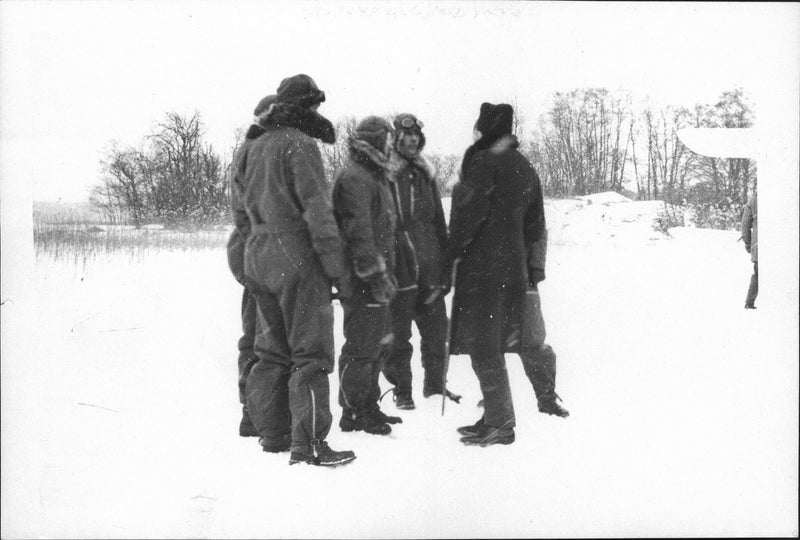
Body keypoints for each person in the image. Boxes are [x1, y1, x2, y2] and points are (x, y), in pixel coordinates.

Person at [230, 74, 355, 466]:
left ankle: (273, 434)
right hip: (296, 257)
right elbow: (318, 214)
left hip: (258, 256)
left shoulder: (248, 148)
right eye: (315, 106)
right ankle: (311, 445)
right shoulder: (301, 146)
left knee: (269, 351)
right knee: (311, 352)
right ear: (306, 107)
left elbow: (239, 214)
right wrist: (338, 271)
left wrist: (249, 257)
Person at [448, 102, 568, 448]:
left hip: (482, 272)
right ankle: (496, 417)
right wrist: (531, 269)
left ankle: (499, 423)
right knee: (502, 343)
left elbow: (467, 218)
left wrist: (452, 252)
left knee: (484, 347)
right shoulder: (524, 167)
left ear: (484, 129)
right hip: (514, 270)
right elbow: (536, 226)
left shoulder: (483, 162)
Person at [382, 113, 461, 410]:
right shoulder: (385, 174)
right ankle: (402, 391)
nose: (413, 140)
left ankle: (435, 386)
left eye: (417, 136)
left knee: (437, 332)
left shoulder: (425, 174)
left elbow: (439, 223)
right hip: (399, 265)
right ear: (396, 139)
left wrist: (446, 265)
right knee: (398, 336)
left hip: (429, 265)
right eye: (408, 135)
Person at [332, 116, 403, 436]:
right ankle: (354, 410)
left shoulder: (375, 177)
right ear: (375, 142)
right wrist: (374, 274)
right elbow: (359, 233)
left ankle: (368, 404)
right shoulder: (355, 177)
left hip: (376, 277)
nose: (391, 145)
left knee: (377, 343)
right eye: (387, 139)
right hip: (361, 280)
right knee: (361, 346)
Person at [742, 192, 758, 309]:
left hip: (760, 245)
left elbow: (745, 224)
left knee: (759, 273)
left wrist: (748, 243)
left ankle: (750, 302)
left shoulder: (754, 200)